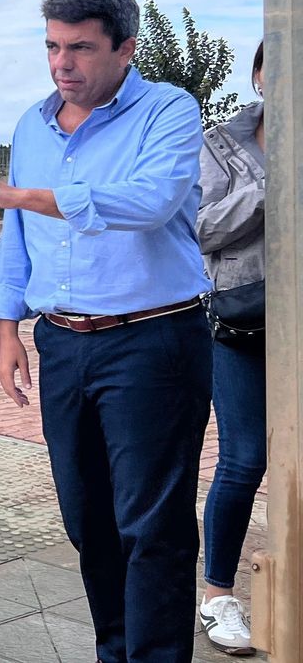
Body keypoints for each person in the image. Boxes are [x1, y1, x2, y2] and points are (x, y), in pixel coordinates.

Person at [0, 0, 211, 663]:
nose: (63, 64)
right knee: (87, 518)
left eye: (82, 49)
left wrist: (26, 194)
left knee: (151, 524)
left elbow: (149, 201)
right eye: (54, 47)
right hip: (63, 342)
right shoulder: (32, 124)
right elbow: (22, 237)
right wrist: (6, 331)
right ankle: (113, 650)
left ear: (126, 47)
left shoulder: (169, 111)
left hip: (153, 340)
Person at [196, 44, 266, 656]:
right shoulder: (221, 143)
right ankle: (218, 595)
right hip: (242, 322)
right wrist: (272, 188)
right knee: (246, 458)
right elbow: (201, 228)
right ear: (260, 75)